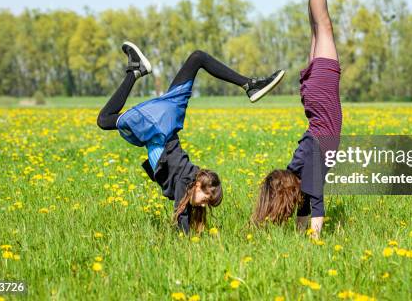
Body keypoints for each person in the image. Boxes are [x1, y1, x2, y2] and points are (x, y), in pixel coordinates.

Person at [97, 43, 285, 233]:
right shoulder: (186, 179)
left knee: (197, 58)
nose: (204, 205)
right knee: (104, 120)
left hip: (169, 118)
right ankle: (135, 72)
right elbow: (181, 215)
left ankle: (250, 85)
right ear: (197, 185)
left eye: (207, 203)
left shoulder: (188, 180)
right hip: (159, 126)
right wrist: (185, 240)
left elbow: (185, 208)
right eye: (206, 199)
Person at [252, 0, 342, 238]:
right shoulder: (296, 170)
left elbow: (314, 203)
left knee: (323, 26)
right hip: (313, 101)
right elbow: (307, 204)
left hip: (322, 96)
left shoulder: (309, 172)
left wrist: (313, 239)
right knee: (317, 27)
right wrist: (305, 229)